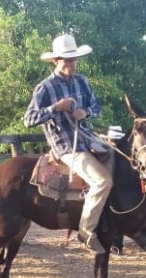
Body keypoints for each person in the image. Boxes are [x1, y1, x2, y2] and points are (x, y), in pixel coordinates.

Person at [24, 33, 112, 253]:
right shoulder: (45, 88)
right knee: (103, 181)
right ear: (56, 61)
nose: (72, 64)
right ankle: (86, 231)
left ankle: (114, 224)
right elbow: (29, 119)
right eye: (67, 60)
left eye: (74, 59)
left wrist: (86, 112)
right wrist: (55, 108)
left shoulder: (82, 81)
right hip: (65, 145)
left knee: (121, 161)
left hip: (88, 137)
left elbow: (96, 107)